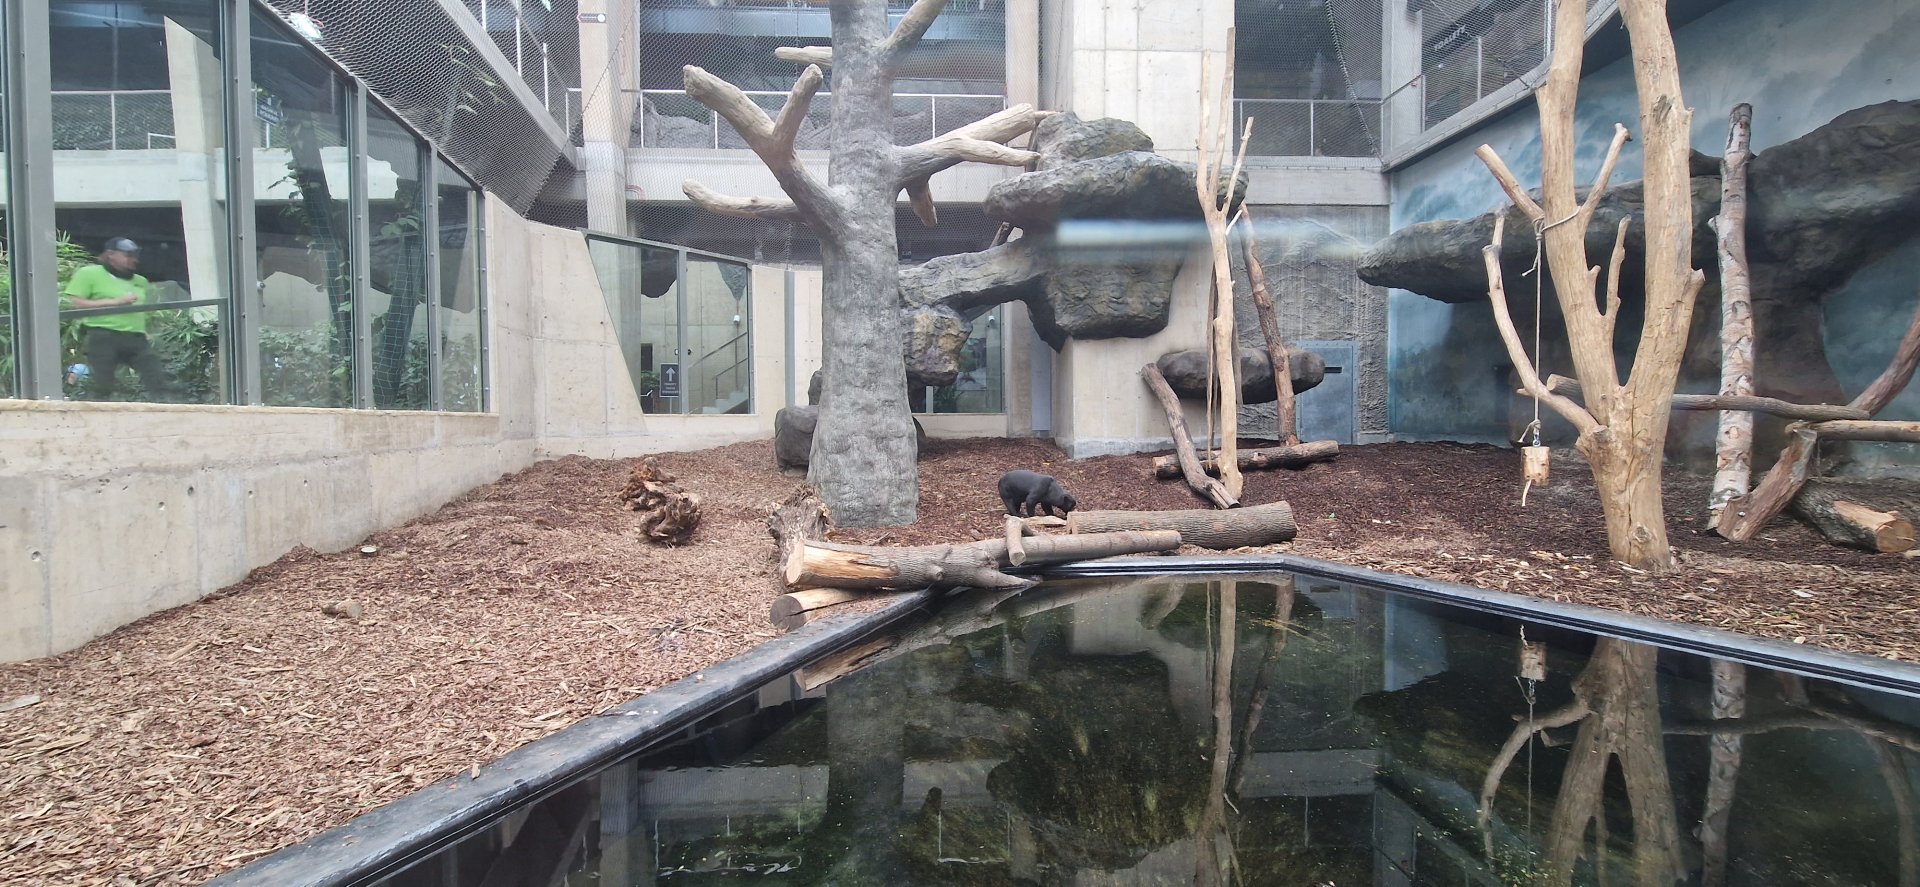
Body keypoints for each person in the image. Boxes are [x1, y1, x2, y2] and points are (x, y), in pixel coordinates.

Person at [61, 237, 172, 400]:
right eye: (128, 255)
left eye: (135, 255)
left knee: (155, 374)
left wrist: (145, 330)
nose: (134, 260)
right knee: (102, 384)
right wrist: (116, 302)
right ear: (111, 255)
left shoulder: (140, 281)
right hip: (103, 334)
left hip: (135, 336)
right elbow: (75, 303)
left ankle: (166, 409)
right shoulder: (90, 274)